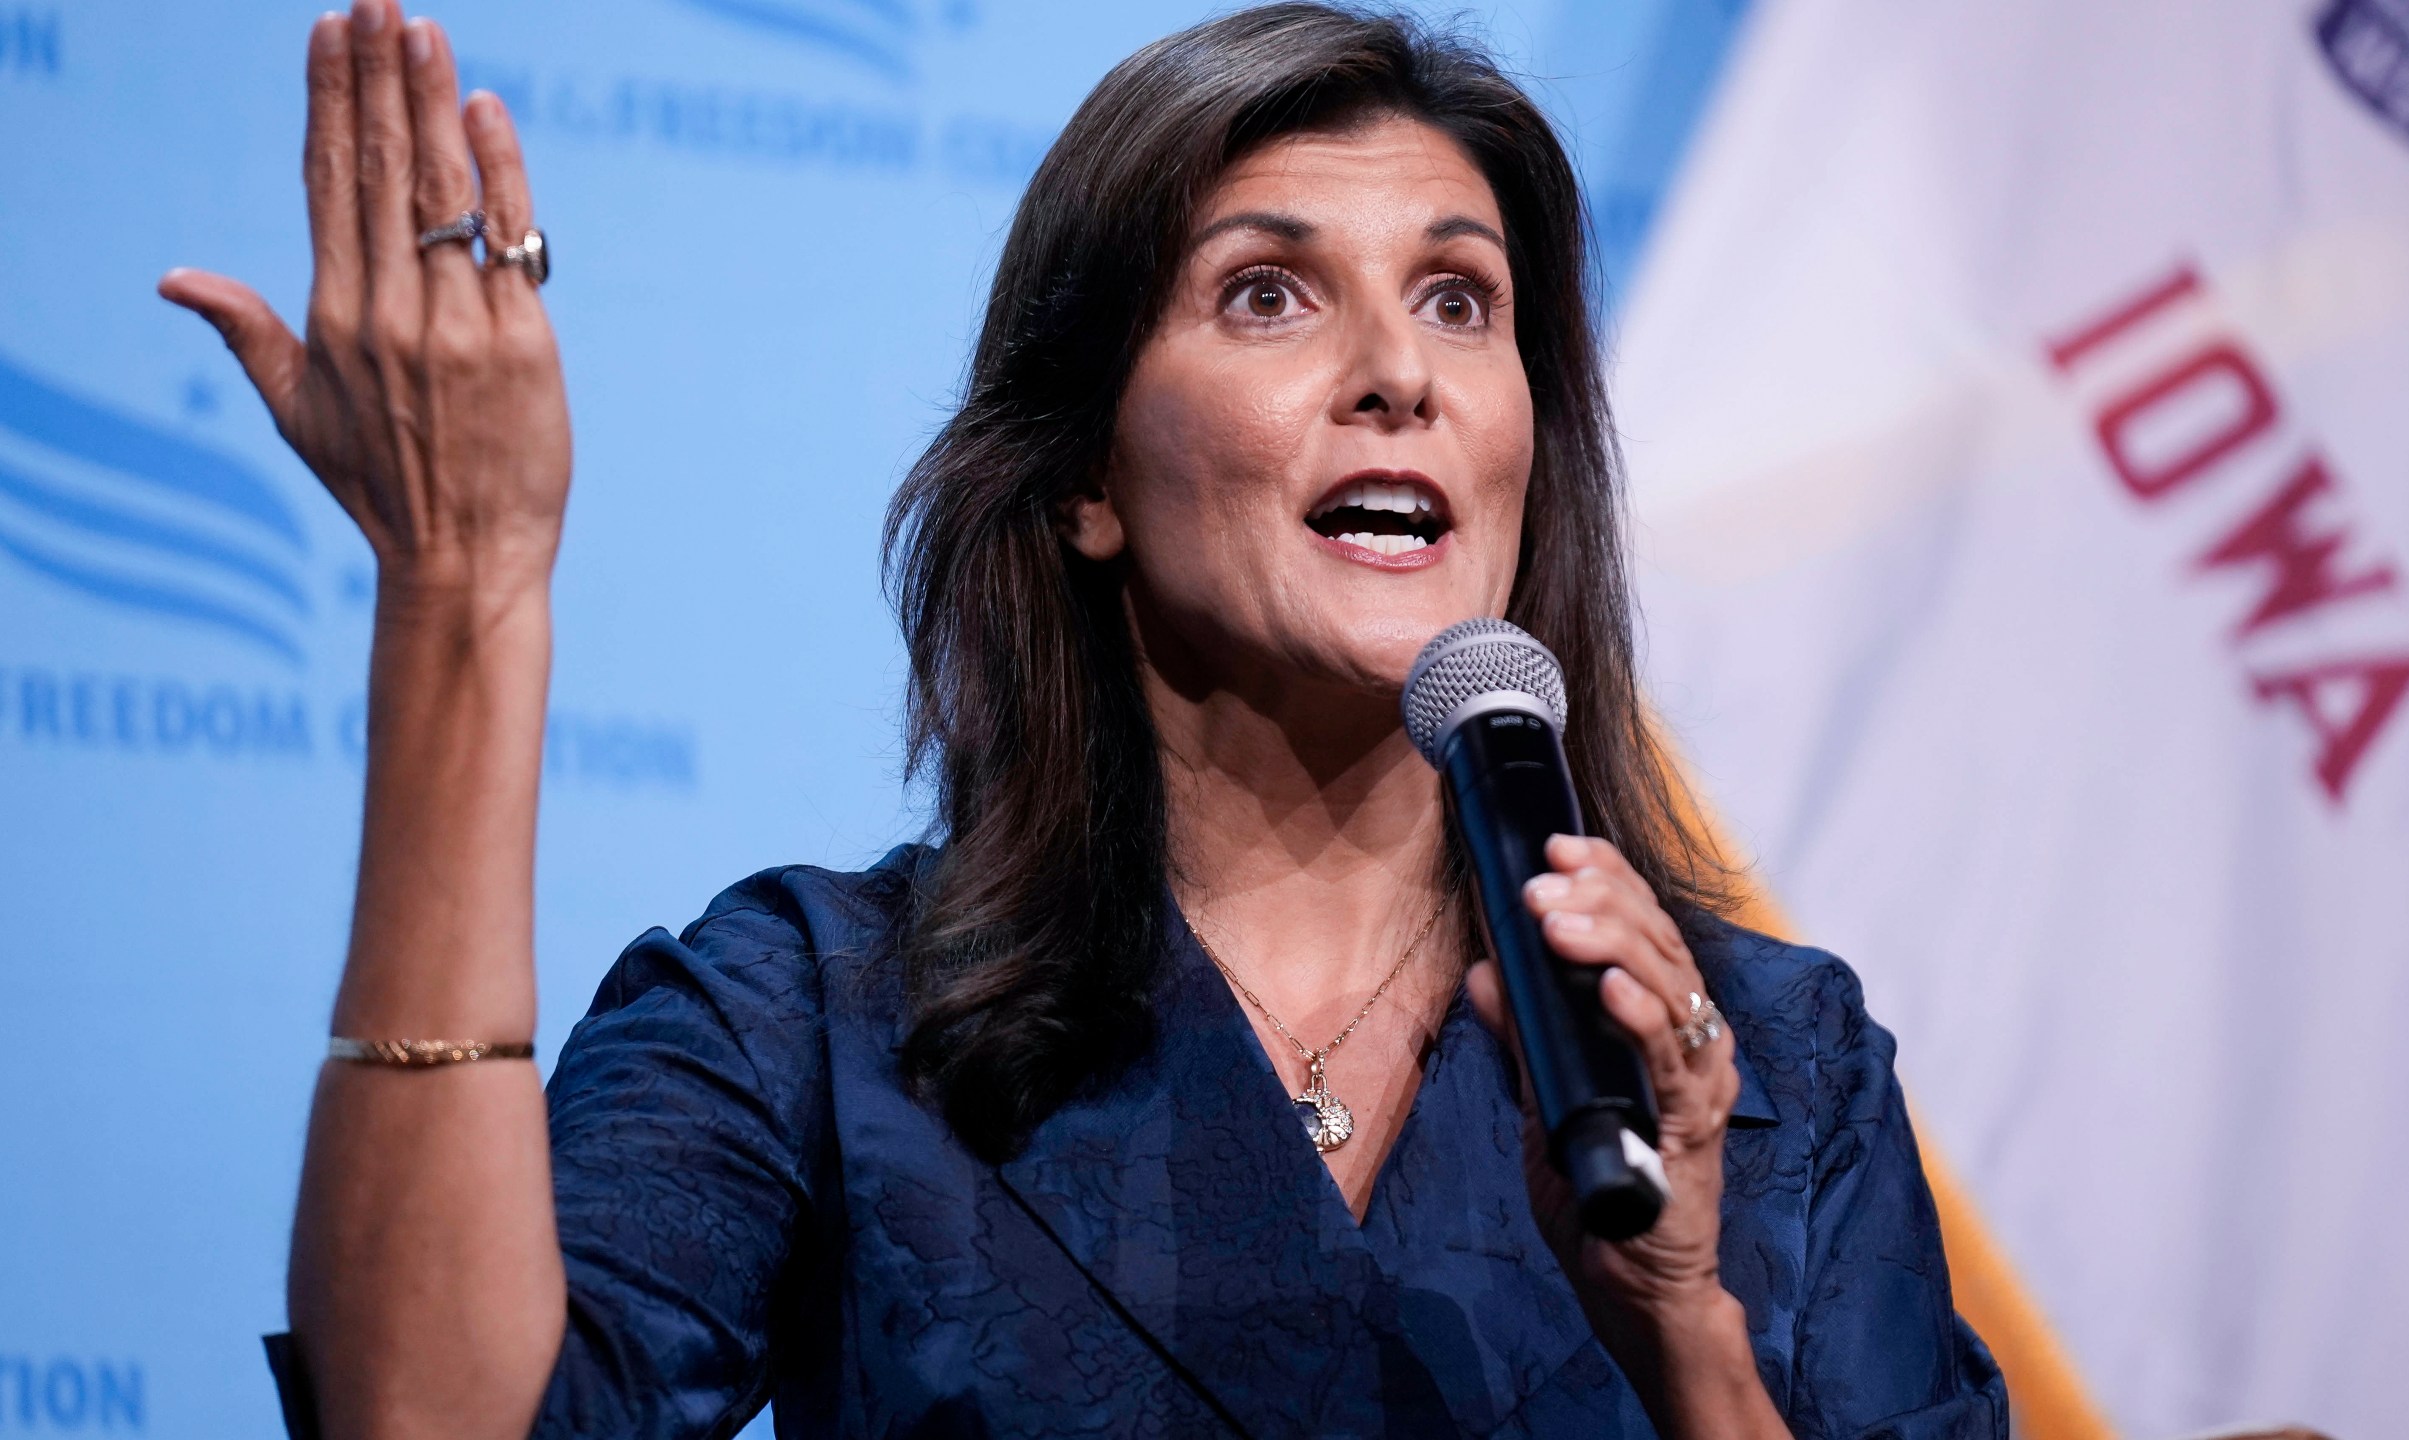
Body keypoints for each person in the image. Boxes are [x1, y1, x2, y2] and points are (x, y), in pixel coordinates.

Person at [164, 2, 2006, 1435]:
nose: (1399, 374)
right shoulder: (824, 1014)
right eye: (1268, 295)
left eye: (1461, 299)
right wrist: (463, 594)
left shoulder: (1778, 1070)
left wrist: (1683, 1324)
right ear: (1084, 478)